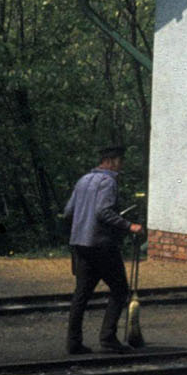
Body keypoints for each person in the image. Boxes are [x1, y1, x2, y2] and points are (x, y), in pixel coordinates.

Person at [64, 144, 144, 355]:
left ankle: (73, 342)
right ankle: (108, 338)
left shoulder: (83, 180)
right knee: (119, 291)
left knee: (81, 294)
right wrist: (130, 226)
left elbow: (69, 210)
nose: (121, 165)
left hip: (80, 244)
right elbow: (103, 212)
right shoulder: (108, 182)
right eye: (120, 161)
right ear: (112, 161)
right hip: (102, 246)